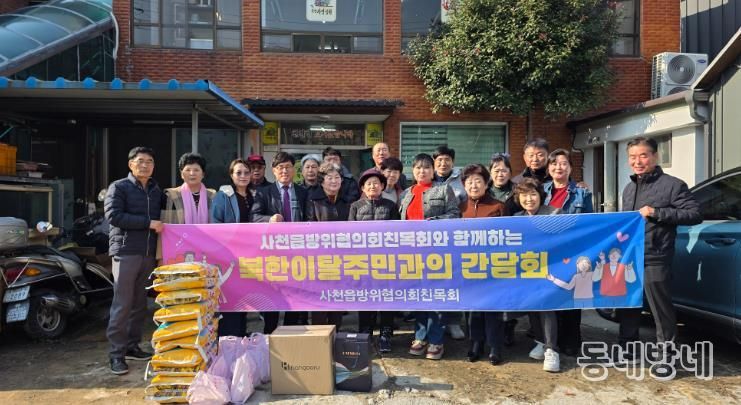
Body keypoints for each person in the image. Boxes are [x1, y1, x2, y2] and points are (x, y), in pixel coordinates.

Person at [618, 137, 701, 369]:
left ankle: (667, 358)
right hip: (631, 256)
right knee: (629, 305)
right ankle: (628, 349)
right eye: (632, 157)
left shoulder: (673, 185)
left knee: (660, 309)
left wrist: (657, 212)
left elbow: (694, 214)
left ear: (655, 156)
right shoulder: (629, 188)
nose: (637, 161)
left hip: (656, 255)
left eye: (643, 156)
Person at [104, 146, 164, 375]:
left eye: (149, 161)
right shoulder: (119, 187)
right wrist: (148, 223)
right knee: (122, 304)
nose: (145, 165)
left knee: (139, 304)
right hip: (126, 251)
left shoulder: (156, 190)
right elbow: (114, 216)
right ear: (131, 164)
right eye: (140, 161)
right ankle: (116, 355)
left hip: (148, 252)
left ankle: (132, 346)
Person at [400, 153, 460, 360]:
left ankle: (436, 340)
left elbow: (454, 214)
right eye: (418, 167)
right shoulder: (406, 193)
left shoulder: (443, 189)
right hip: (412, 254)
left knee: (436, 296)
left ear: (433, 171)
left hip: (437, 253)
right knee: (418, 296)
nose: (422, 171)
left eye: (426, 167)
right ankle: (420, 337)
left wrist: (432, 223)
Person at [542, 148, 594, 357]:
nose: (559, 167)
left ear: (571, 168)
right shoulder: (542, 191)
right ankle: (552, 341)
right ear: (549, 168)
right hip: (548, 253)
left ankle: (572, 340)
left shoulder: (582, 193)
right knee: (552, 295)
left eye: (564, 163)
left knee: (572, 297)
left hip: (573, 252)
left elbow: (589, 223)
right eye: (554, 163)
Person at [251, 152, 309, 333]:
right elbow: (254, 217)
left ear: (294, 170)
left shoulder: (303, 192)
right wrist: (269, 219)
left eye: (288, 167)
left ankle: (290, 332)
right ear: (274, 171)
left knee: (295, 294)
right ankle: (270, 333)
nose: (284, 171)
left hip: (297, 252)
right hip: (273, 253)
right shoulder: (264, 192)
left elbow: (309, 219)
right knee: (273, 294)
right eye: (280, 167)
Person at [459, 164, 507, 365]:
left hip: (493, 266)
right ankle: (475, 343)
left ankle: (495, 346)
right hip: (468, 266)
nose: (474, 185)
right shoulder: (460, 208)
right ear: (464, 185)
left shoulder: (498, 206)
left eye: (478, 181)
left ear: (486, 184)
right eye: (469, 182)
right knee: (472, 308)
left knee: (493, 308)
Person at [350, 169, 401, 352]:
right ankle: (365, 331)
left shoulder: (390, 205)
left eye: (376, 183)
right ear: (363, 187)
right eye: (369, 183)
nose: (373, 186)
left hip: (386, 261)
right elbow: (349, 233)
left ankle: (386, 333)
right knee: (365, 297)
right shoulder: (355, 206)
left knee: (386, 297)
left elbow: (398, 232)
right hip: (363, 261)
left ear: (382, 186)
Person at [513, 178, 561, 372]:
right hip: (526, 270)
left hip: (550, 268)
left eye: (533, 194)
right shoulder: (516, 218)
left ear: (540, 196)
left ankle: (552, 350)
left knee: (547, 307)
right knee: (533, 306)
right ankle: (541, 341)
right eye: (524, 195)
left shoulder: (554, 213)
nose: (529, 199)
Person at [305, 162, 352, 330]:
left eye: (337, 177)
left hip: (342, 259)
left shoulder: (347, 201)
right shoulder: (313, 200)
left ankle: (336, 332)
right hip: (319, 258)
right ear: (322, 181)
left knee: (337, 298)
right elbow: (309, 227)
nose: (334, 181)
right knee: (319, 299)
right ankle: (319, 336)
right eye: (330, 177)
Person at [212, 158, 255, 336]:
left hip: (251, 255)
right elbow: (216, 224)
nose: (243, 176)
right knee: (230, 296)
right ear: (231, 175)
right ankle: (229, 337)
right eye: (238, 172)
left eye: (246, 172)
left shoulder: (255, 195)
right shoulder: (223, 196)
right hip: (229, 256)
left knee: (245, 296)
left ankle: (242, 333)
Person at [431, 145, 467, 340]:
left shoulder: (461, 181)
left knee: (452, 281)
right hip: (429, 240)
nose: (443, 163)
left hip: (453, 238)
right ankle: (436, 322)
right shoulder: (427, 179)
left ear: (453, 162)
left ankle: (453, 322)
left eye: (447, 160)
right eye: (439, 160)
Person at [161, 153, 216, 225]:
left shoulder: (212, 196)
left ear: (203, 174)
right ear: (181, 174)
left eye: (196, 170)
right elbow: (165, 224)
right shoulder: (171, 196)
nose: (192, 173)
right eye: (188, 170)